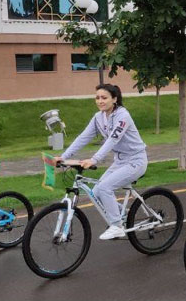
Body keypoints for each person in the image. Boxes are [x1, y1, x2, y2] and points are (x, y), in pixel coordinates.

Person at [59, 83, 149, 240]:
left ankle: (117, 226)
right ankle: (122, 214)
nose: (100, 101)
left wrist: (94, 159)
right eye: (97, 97)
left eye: (104, 98)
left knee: (106, 187)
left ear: (114, 99)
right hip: (120, 161)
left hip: (136, 161)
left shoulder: (123, 115)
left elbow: (113, 140)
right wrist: (64, 156)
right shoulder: (98, 117)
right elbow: (83, 137)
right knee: (98, 191)